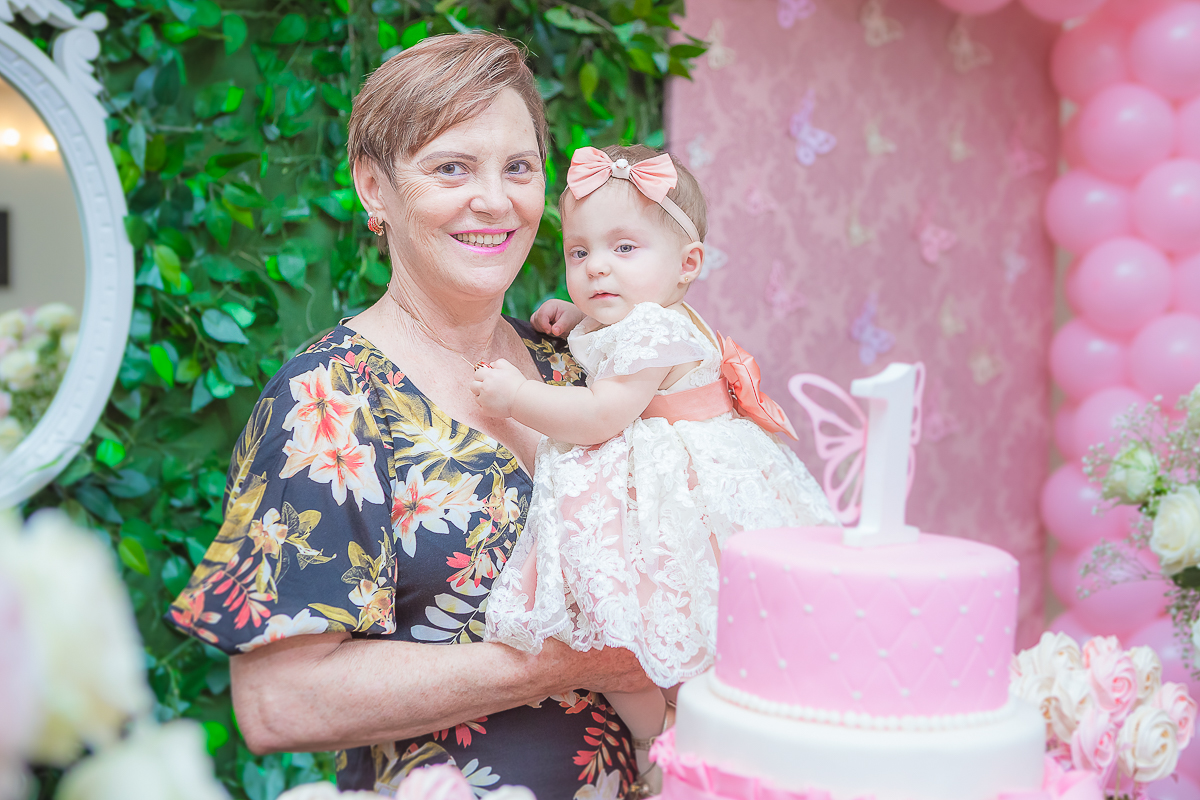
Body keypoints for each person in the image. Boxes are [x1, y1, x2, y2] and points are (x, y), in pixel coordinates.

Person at [164, 33, 655, 798]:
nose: (495, 200)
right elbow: (278, 701)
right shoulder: (329, 400)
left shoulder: (575, 362)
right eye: (451, 167)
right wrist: (570, 662)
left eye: (518, 167)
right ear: (374, 187)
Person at [474, 145, 838, 781]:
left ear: (687, 263)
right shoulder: (656, 313)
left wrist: (517, 398)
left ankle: (659, 742)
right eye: (579, 252)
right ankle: (681, 737)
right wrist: (582, 317)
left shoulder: (653, 332)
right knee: (656, 627)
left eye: (624, 248)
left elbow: (602, 413)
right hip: (692, 485)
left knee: (624, 627)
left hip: (682, 499)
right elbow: (619, 327)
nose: (597, 267)